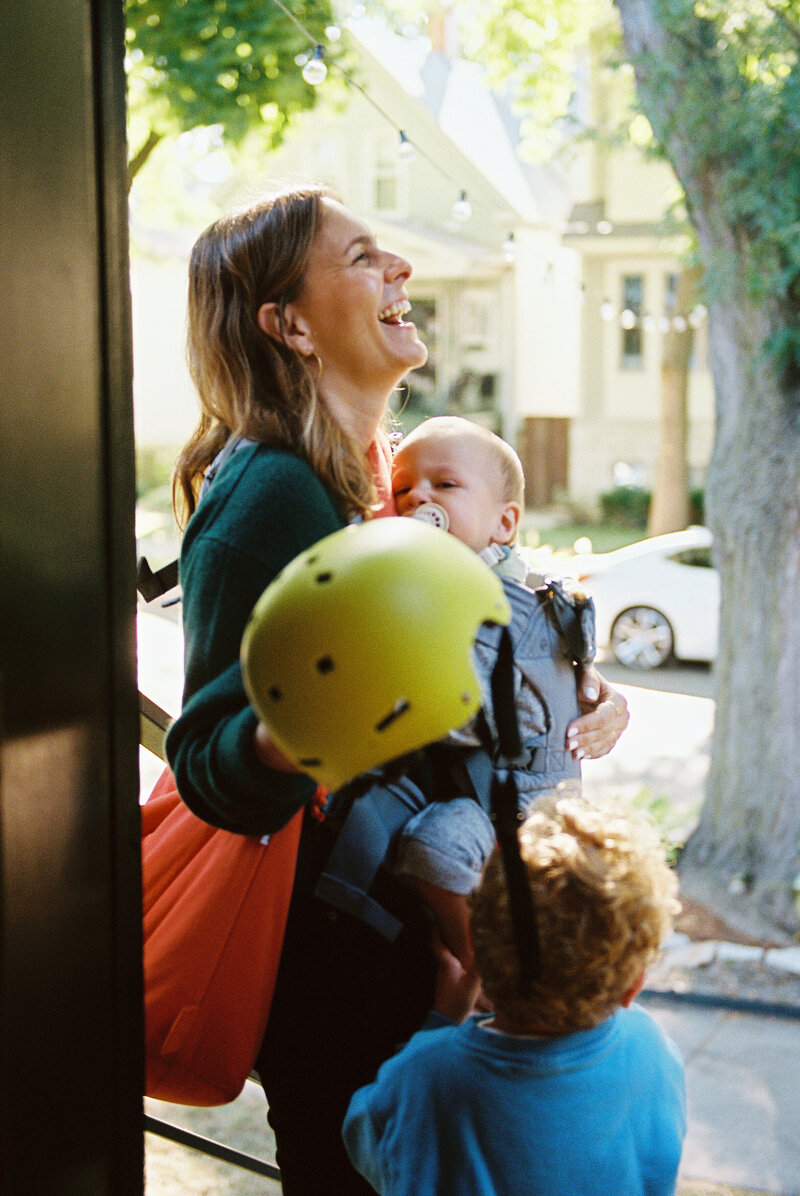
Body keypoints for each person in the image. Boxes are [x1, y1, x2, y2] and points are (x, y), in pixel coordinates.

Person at [165, 184, 630, 1194]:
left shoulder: (367, 471)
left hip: (413, 960)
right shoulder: (273, 489)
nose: (401, 271)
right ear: (287, 324)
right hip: (344, 980)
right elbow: (206, 759)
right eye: (363, 257)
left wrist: (578, 683)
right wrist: (300, 728)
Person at [343, 785, 687, 1196]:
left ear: (478, 949)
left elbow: (364, 1140)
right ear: (632, 988)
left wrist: (438, 1024)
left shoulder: (427, 1076)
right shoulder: (652, 1051)